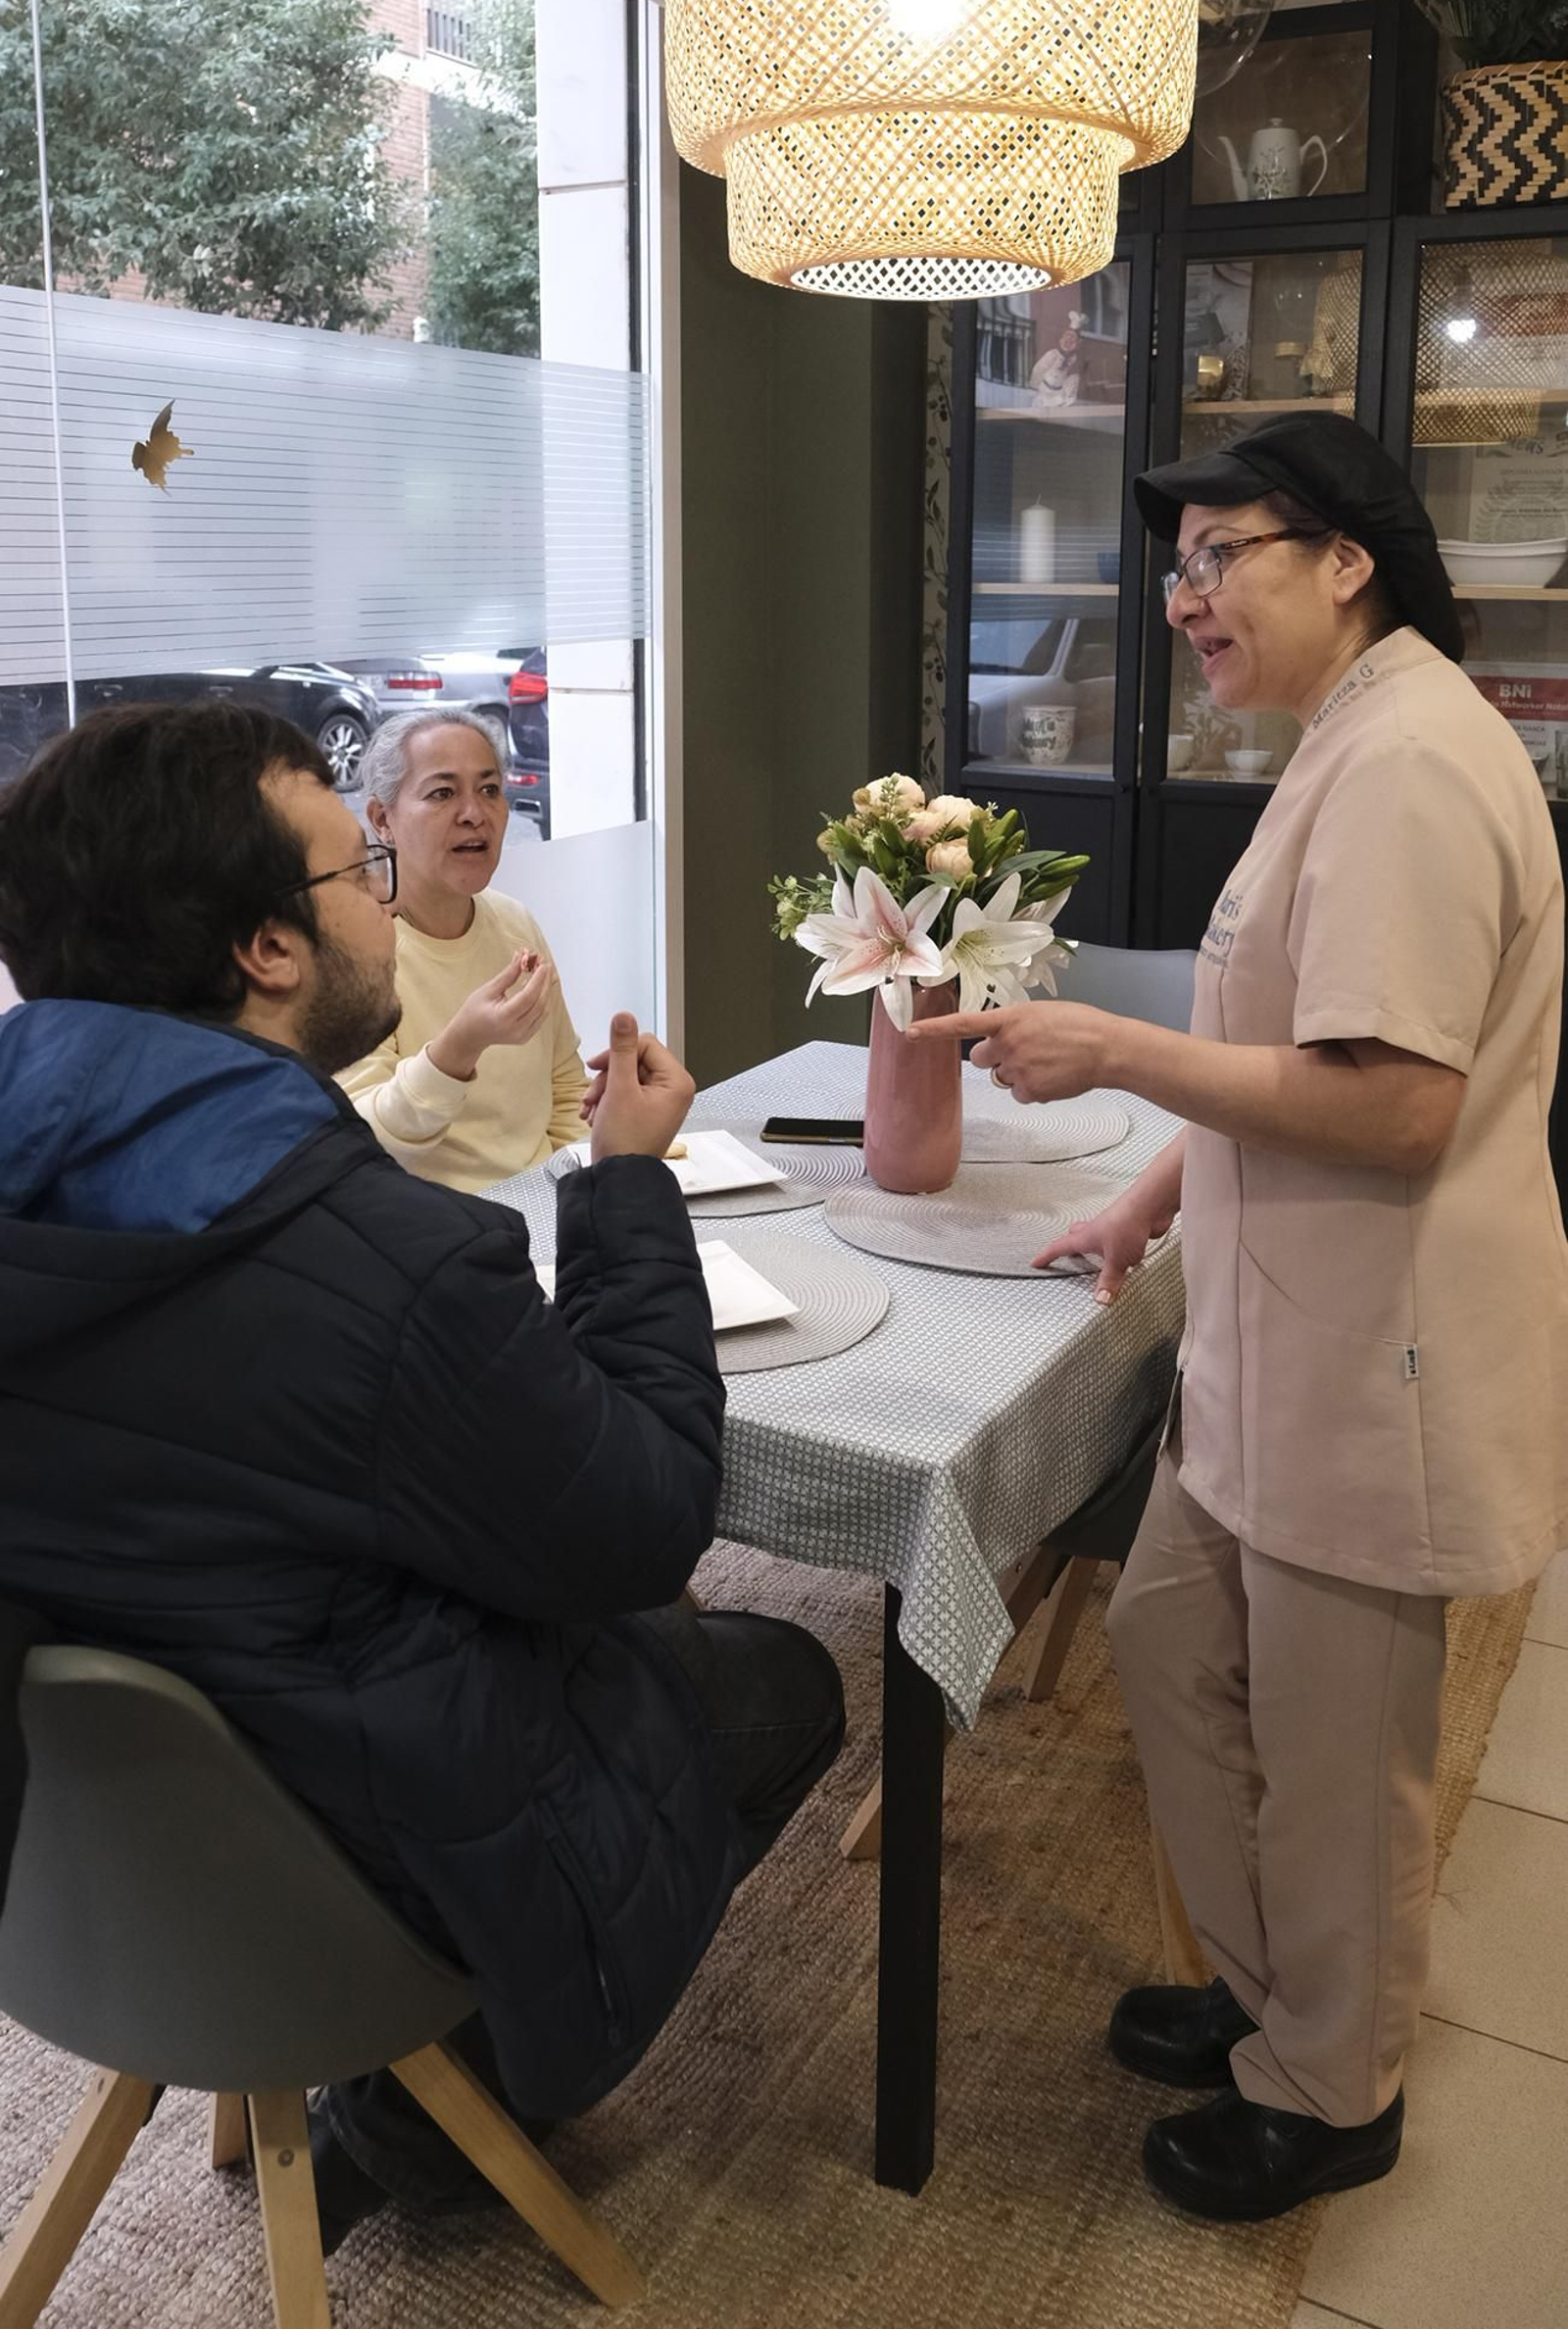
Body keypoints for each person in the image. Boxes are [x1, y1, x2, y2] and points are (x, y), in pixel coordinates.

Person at [0, 702, 844, 2253]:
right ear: (266, 947)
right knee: (785, 1678)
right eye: (359, 869)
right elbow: (647, 1525)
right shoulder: (384, 1266)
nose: (386, 898)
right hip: (348, 1861)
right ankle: (412, 2126)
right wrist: (629, 1189)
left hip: (81, 1887)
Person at [915, 412, 1568, 2223]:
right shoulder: (1340, 740)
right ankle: (1272, 1984)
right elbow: (1288, 1047)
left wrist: (1116, 1052)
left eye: (1220, 555)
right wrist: (1146, 1196)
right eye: (1176, 565)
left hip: (1376, 1355)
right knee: (1169, 1640)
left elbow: (1396, 1105)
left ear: (1345, 559)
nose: (1183, 596)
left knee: (1343, 1751)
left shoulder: (1411, 762)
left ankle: (1333, 2083)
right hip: (1271, 1335)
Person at [340, 709, 587, 1191]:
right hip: (431, 1225)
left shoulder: (515, 923)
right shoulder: (355, 953)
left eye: (489, 789)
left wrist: (571, 1196)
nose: (474, 813)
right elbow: (363, 1144)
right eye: (442, 793)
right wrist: (458, 1049)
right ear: (382, 819)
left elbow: (566, 1091)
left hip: (542, 1206)